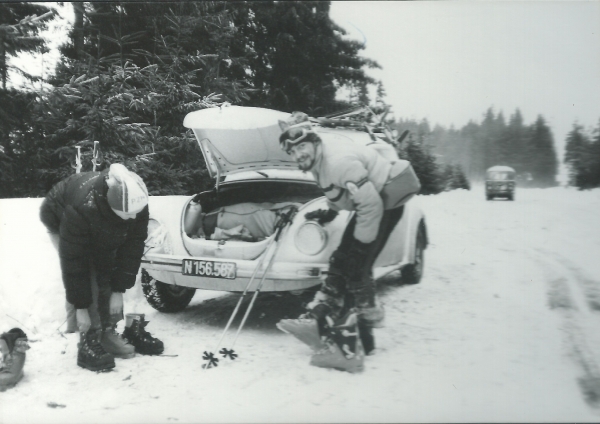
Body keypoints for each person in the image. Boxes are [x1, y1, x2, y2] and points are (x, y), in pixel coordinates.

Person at [276, 112, 420, 373]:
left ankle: (349, 346)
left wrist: (361, 250)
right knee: (343, 260)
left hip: (383, 204)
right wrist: (331, 211)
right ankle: (337, 327)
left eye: (302, 147)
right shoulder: (319, 161)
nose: (299, 155)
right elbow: (339, 191)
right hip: (371, 203)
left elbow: (371, 205)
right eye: (293, 152)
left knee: (356, 268)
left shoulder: (338, 162)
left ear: (314, 141)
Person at [40, 163, 164, 372]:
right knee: (91, 270)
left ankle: (105, 332)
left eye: (136, 213)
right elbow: (74, 264)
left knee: (107, 265)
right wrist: (81, 307)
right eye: (128, 215)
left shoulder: (135, 202)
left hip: (96, 217)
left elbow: (131, 250)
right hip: (58, 214)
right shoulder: (82, 210)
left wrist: (118, 290)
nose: (134, 218)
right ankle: (89, 336)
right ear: (111, 206)